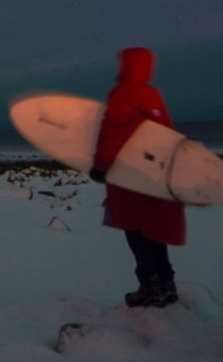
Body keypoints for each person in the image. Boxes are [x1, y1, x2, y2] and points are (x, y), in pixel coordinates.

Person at [89, 47, 186, 308]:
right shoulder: (152, 94)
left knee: (134, 229)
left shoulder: (122, 94)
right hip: (152, 173)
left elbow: (110, 134)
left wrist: (100, 166)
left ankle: (150, 286)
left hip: (127, 175)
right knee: (153, 228)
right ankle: (166, 283)